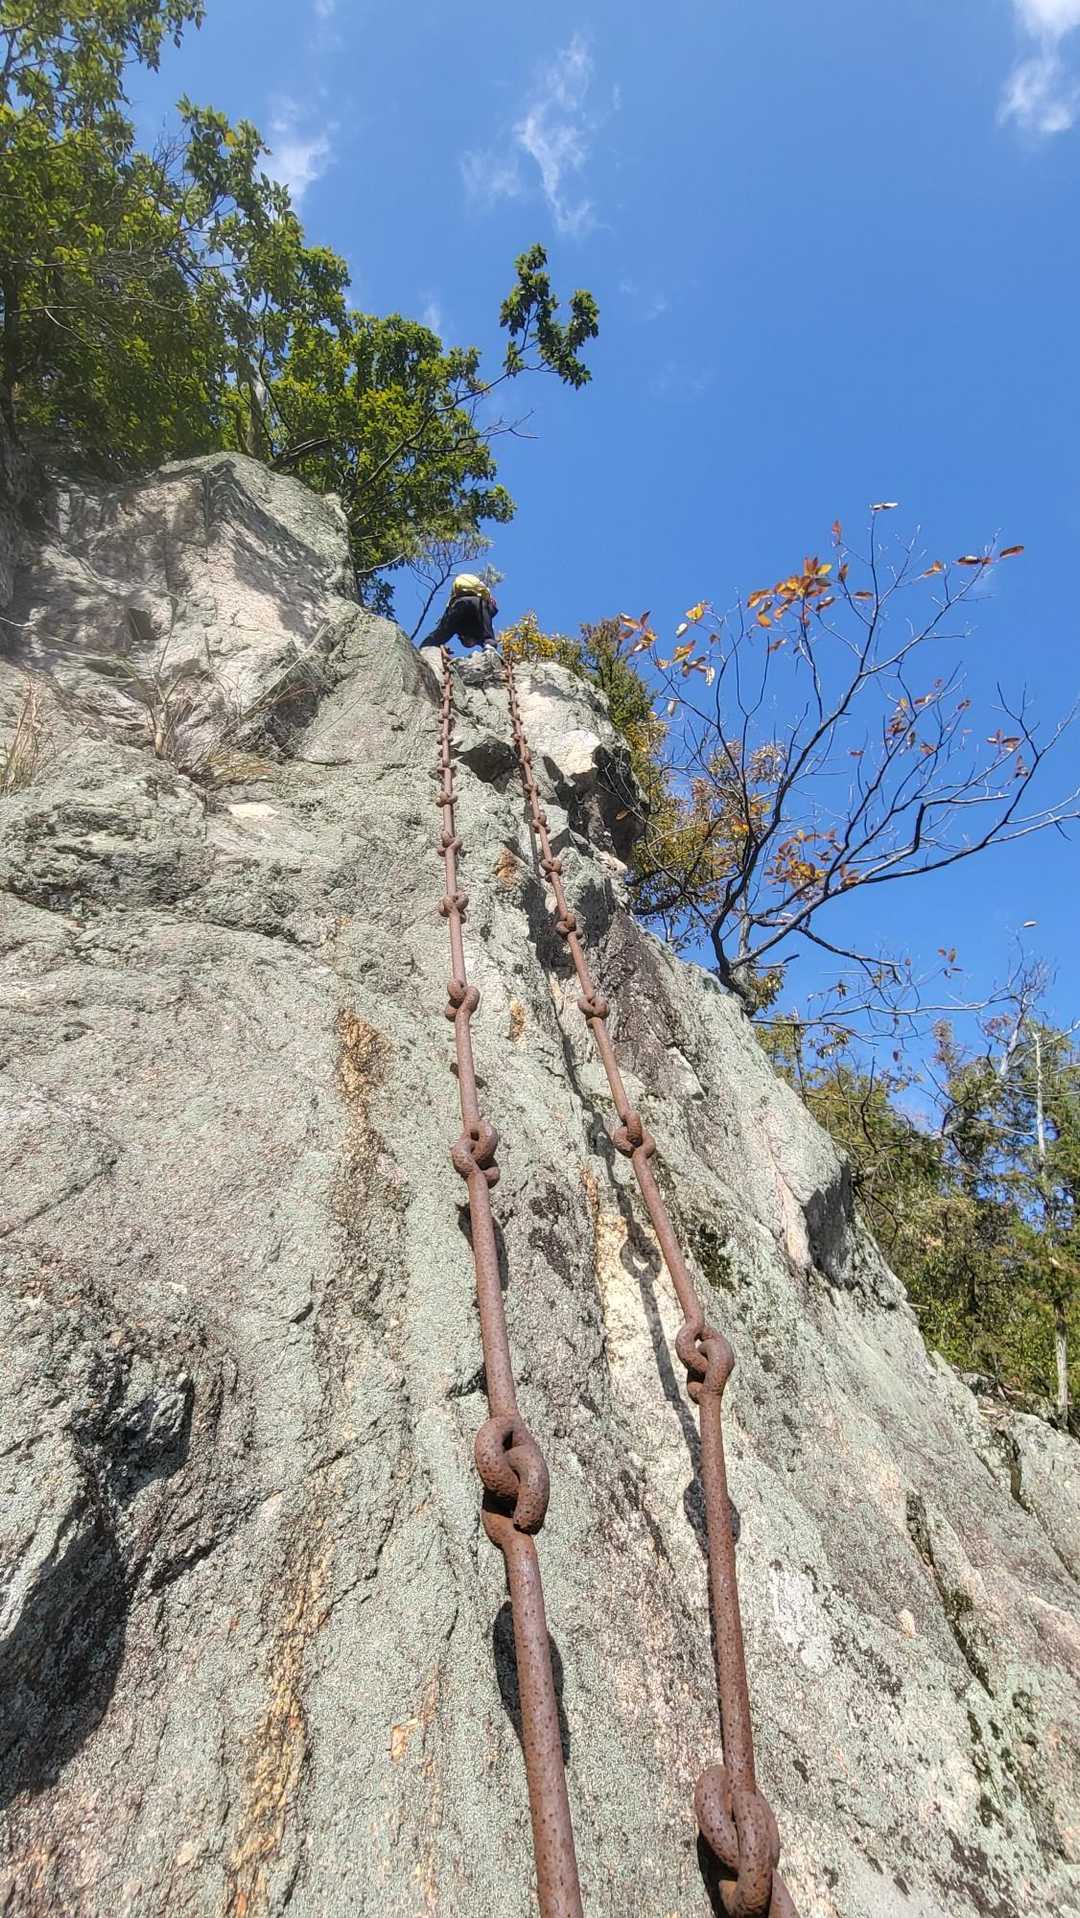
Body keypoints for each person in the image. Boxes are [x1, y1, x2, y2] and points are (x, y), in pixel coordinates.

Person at [418, 574, 499, 653]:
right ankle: (426, 646)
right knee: (440, 635)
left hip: (461, 604)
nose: (470, 644)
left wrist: (439, 644)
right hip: (473, 604)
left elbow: (442, 630)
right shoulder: (480, 630)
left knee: (439, 636)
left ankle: (425, 646)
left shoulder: (463, 627)